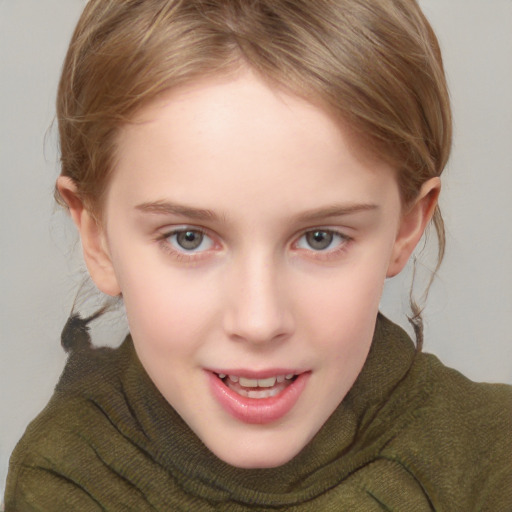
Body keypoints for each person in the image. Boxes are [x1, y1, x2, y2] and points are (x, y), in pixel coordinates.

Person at [5, 0, 511, 510]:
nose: (258, 321)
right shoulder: (66, 476)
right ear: (97, 236)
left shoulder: (494, 460)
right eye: (188, 238)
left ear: (406, 225)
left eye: (320, 238)